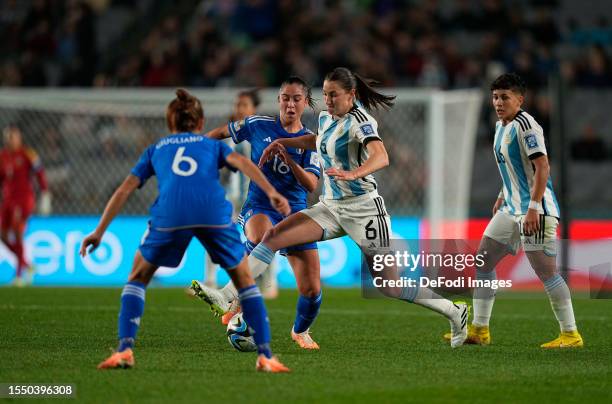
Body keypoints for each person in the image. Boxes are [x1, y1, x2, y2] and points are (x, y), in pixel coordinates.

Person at [194, 67, 469, 348]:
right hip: (331, 207)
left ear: (351, 95)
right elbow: (317, 140)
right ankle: (227, 295)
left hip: (364, 211)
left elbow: (381, 156)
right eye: (325, 94)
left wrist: (354, 173)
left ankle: (453, 310)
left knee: (390, 285)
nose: (327, 100)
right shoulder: (326, 117)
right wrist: (282, 142)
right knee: (273, 237)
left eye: (333, 95)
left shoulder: (361, 121)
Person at [80, 88, 291, 372]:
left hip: (171, 213)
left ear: (170, 124)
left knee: (137, 277)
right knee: (245, 281)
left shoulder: (158, 148)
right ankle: (266, 356)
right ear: (201, 123)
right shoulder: (212, 146)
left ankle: (124, 350)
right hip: (211, 212)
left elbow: (125, 189)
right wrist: (271, 192)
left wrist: (99, 231)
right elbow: (242, 163)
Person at [444, 73, 583, 348]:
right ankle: (480, 330)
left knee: (546, 272)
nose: (498, 102)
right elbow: (514, 168)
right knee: (483, 260)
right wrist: (501, 194)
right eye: (495, 97)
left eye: (505, 97)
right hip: (511, 208)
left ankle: (571, 334)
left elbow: (542, 167)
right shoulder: (500, 127)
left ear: (520, 99)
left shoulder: (526, 125)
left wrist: (532, 207)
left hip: (536, 210)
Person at [191, 77, 323, 349]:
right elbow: (220, 133)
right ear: (279, 100)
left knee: (311, 290)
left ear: (305, 103)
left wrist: (287, 156)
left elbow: (311, 185)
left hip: (295, 211)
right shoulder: (257, 124)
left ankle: (300, 330)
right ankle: (233, 298)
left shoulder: (311, 141)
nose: (290, 103)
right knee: (263, 235)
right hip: (260, 205)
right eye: (285, 97)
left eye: (296, 98)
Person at [203, 88, 280, 299]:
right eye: (238, 105)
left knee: (264, 237)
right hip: (232, 196)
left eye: (244, 105)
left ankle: (270, 283)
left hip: (256, 197)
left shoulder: (262, 133)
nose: (239, 109)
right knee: (216, 232)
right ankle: (210, 280)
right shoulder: (231, 134)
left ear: (254, 109)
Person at [0, 125, 51, 286]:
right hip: (8, 201)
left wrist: (45, 194)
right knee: (2, 235)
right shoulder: (2, 156)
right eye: (8, 136)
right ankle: (27, 265)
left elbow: (40, 172)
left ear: (19, 138)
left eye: (13, 136)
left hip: (23, 200)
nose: (11, 139)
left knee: (17, 232)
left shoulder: (28, 154)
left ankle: (19, 275)